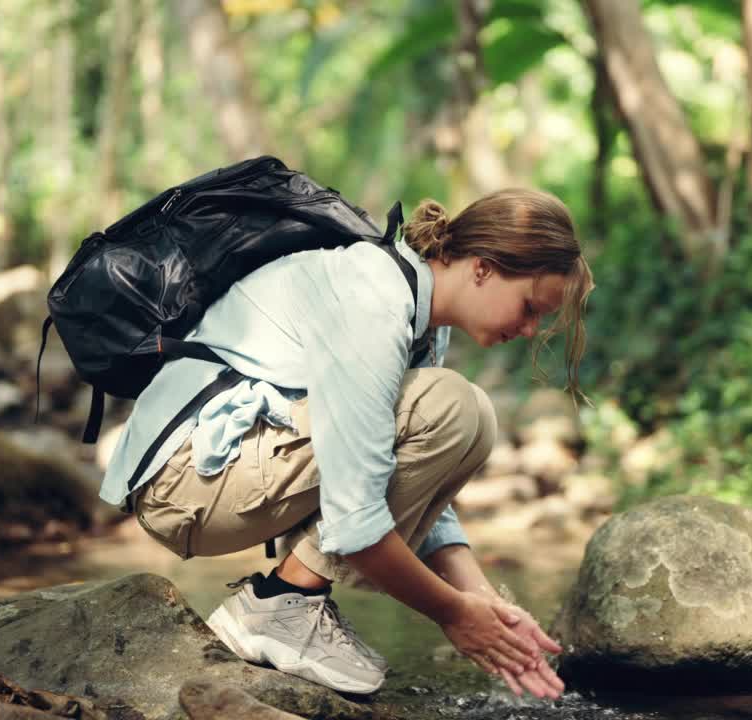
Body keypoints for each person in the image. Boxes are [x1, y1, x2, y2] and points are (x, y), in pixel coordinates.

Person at [98, 188, 593, 698]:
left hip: (220, 475)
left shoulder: (418, 320)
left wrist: (486, 604)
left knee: (466, 417)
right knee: (457, 407)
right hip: (183, 483)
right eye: (531, 308)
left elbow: (411, 471)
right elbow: (356, 515)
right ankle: (282, 603)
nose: (533, 329)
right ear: (484, 268)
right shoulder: (373, 299)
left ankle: (290, 600)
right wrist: (452, 613)